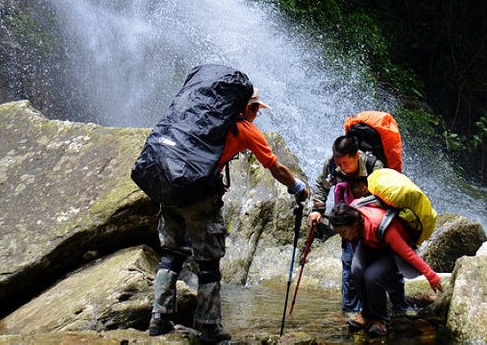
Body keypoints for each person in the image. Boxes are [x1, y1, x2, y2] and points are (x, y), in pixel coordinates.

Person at [150, 87, 309, 342]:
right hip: (201, 198)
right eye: (256, 108)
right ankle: (208, 325)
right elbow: (275, 167)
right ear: (245, 106)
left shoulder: (197, 116)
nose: (257, 113)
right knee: (209, 262)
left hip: (171, 188)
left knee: (171, 253)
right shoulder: (242, 128)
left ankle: (159, 317)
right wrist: (298, 187)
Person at [308, 134, 408, 316]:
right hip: (348, 225)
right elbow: (321, 185)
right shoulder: (332, 164)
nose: (342, 168)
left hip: (374, 225)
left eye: (346, 163)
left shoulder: (374, 166)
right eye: (339, 164)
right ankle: (351, 311)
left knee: (389, 269)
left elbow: (387, 197)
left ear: (357, 156)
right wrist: (317, 209)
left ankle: (400, 307)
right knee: (349, 266)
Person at [327, 203, 443, 337]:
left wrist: (432, 277)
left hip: (391, 250)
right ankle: (366, 313)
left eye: (343, 232)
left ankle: (380, 320)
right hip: (370, 243)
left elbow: (408, 253)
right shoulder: (354, 215)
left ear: (354, 224)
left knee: (373, 276)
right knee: (356, 270)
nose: (342, 236)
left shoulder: (382, 226)